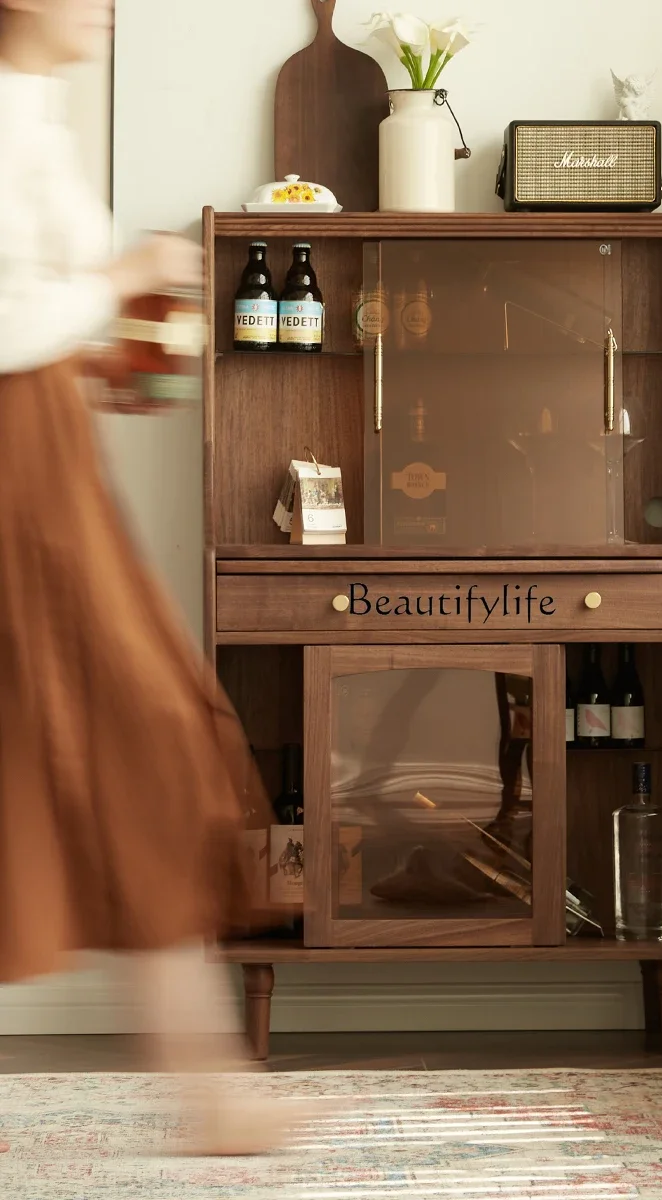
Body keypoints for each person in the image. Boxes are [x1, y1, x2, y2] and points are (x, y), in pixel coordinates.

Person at [0, 0, 299, 1155]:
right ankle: (213, 1091)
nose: (108, 7)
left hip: (53, 462)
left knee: (144, 737)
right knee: (131, 732)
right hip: (21, 474)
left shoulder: (39, 108)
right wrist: (116, 280)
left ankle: (212, 1089)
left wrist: (114, 329)